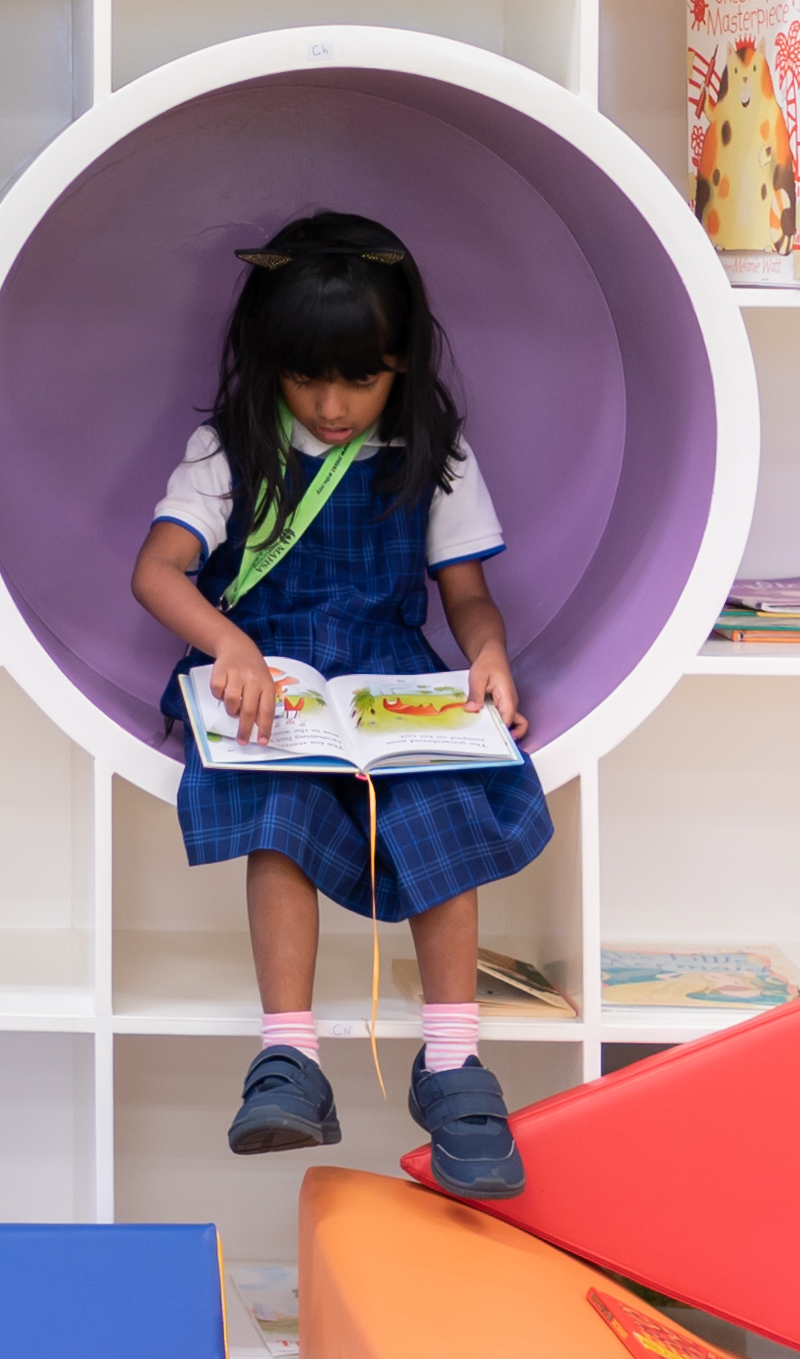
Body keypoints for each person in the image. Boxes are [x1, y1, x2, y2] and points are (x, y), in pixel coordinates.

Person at [128, 211, 550, 1200]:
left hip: (389, 676)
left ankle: (452, 1064)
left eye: (360, 379)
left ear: (402, 363)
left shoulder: (431, 451)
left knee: (443, 802)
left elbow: (467, 595)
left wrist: (487, 654)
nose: (330, 405)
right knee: (280, 812)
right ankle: (289, 1057)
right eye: (304, 378)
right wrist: (230, 646)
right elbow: (155, 571)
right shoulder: (228, 448)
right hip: (268, 675)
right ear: (266, 361)